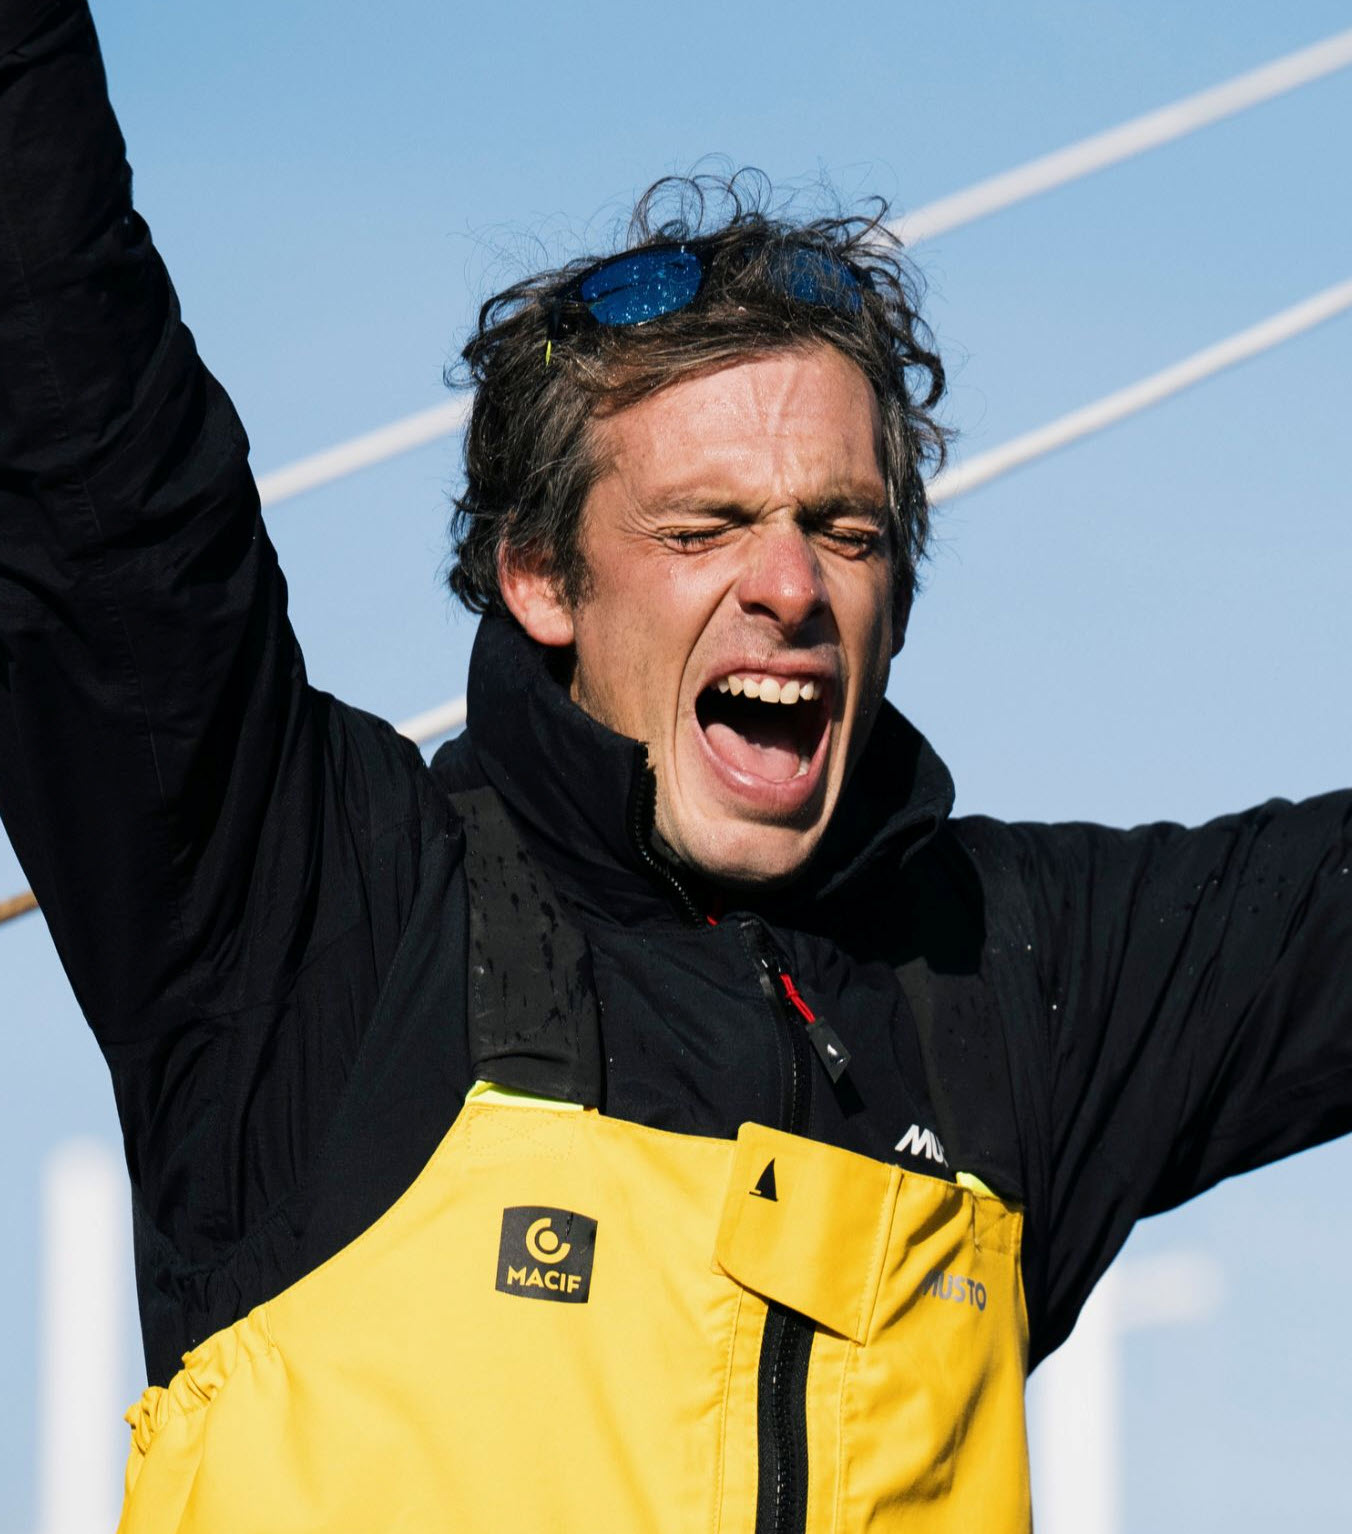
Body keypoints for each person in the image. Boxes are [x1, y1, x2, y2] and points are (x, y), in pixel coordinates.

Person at [3, 2, 1350, 1530]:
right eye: (704, 528)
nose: (789, 583)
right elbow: (81, 438)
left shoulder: (1001, 980)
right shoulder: (319, 921)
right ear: (539, 576)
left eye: (844, 528)